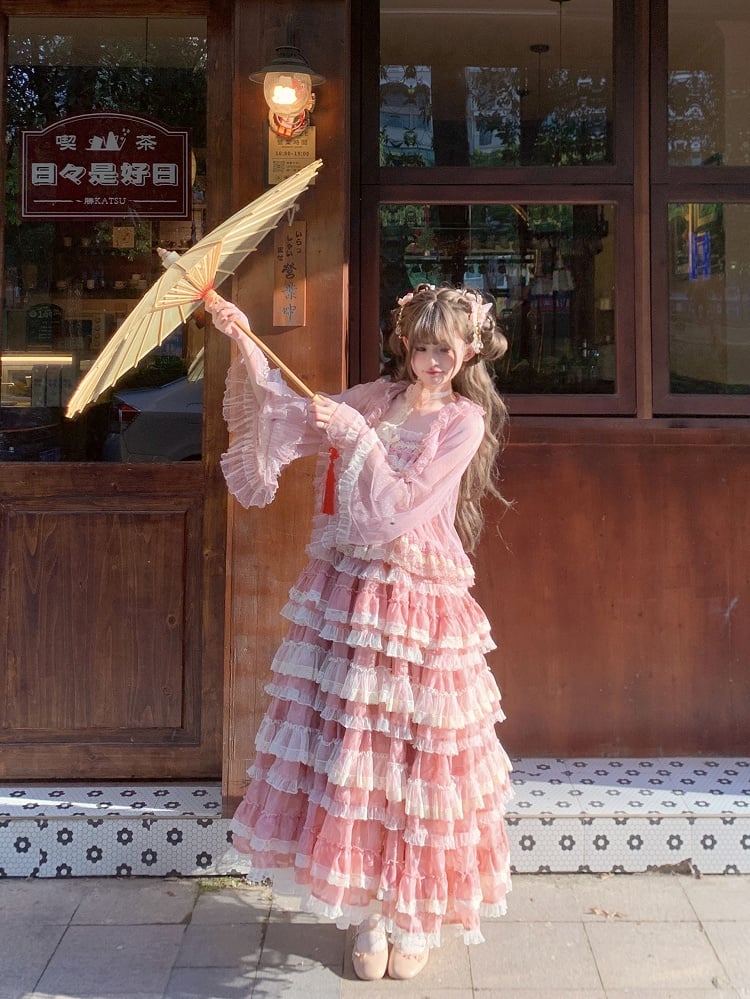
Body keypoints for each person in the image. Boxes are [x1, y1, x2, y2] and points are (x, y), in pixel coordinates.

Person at [206, 283, 513, 982]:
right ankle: (368, 912)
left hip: (417, 602)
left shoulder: (462, 421)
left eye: (446, 348)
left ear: (470, 351)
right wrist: (245, 339)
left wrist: (358, 438)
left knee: (414, 754)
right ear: (405, 344)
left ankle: (413, 911)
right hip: (350, 592)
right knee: (356, 748)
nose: (433, 360)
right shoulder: (376, 397)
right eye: (422, 346)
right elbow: (291, 415)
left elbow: (400, 505)